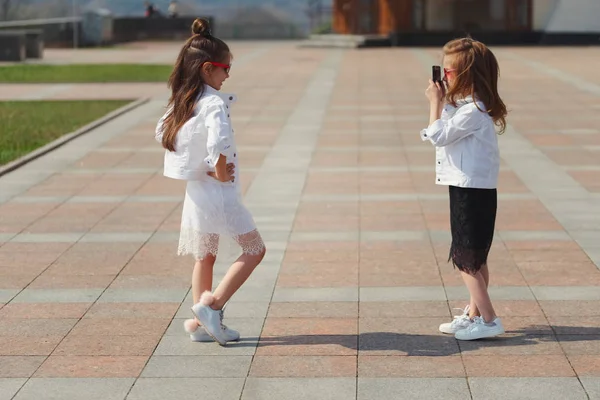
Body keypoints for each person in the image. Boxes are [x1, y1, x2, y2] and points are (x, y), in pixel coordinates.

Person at [155, 18, 266, 345]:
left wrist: (204, 169)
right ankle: (211, 306)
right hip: (220, 193)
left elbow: (164, 135)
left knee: (205, 255)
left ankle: (200, 323)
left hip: (198, 192)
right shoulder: (213, 102)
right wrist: (217, 169)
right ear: (207, 68)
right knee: (255, 249)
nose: (228, 74)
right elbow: (219, 141)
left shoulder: (182, 100)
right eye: (225, 68)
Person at [421, 37, 508, 341]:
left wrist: (435, 102)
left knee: (464, 259)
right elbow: (445, 133)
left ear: (466, 74)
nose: (443, 78)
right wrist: (445, 104)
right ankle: (474, 314)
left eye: (448, 72)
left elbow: (438, 137)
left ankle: (489, 319)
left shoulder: (472, 111)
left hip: (471, 189)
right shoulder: (467, 108)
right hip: (469, 187)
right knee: (476, 257)